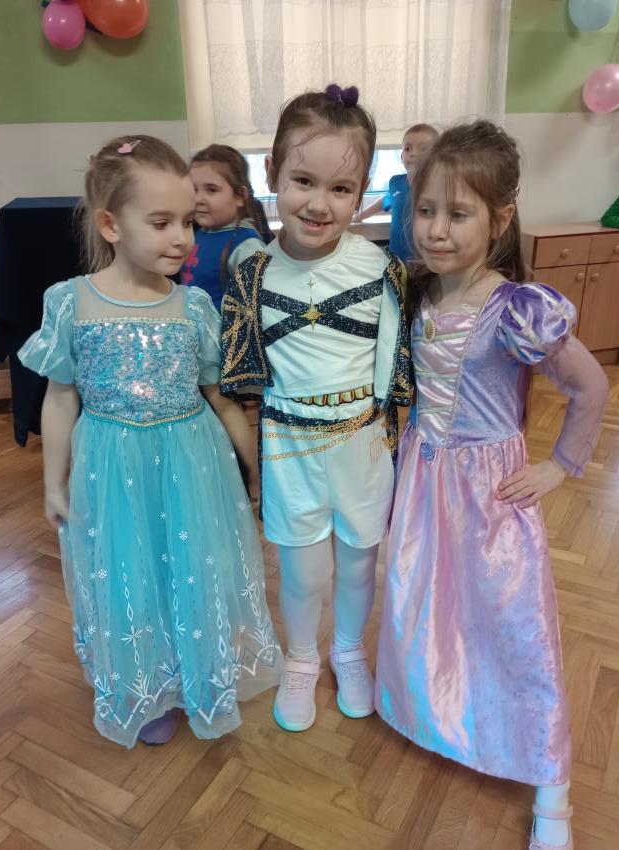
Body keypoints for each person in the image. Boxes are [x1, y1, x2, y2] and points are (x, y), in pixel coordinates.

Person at [375, 120, 608, 850]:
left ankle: (551, 783)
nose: (436, 229)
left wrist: (559, 466)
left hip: (489, 491)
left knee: (512, 622)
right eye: (425, 210)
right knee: (428, 598)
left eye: (458, 213)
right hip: (424, 479)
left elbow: (591, 388)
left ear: (500, 220)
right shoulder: (416, 291)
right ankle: (436, 713)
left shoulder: (517, 310)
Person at [18, 135, 281, 748]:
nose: (182, 238)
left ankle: (199, 676)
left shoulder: (194, 307)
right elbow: (59, 398)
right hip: (112, 467)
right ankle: (147, 684)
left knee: (192, 570)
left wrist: (255, 472)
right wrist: (53, 482)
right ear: (111, 225)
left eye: (188, 221)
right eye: (161, 223)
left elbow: (221, 398)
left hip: (191, 463)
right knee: (130, 576)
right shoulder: (71, 302)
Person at [220, 84, 412, 733]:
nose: (319, 203)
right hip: (290, 449)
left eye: (340, 188)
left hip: (363, 447)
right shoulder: (251, 276)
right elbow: (241, 379)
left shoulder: (381, 269)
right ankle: (302, 657)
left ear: (360, 194)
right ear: (271, 174)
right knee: (304, 573)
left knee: (359, 565)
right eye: (303, 181)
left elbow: (396, 368)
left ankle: (348, 650)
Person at [180, 144, 271, 311]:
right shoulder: (198, 233)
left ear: (240, 196)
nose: (198, 199)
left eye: (211, 190)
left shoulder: (246, 246)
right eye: (194, 189)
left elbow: (260, 307)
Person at [354, 123, 438, 262]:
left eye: (423, 149)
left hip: (425, 261)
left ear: (437, 156)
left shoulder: (439, 187)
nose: (414, 153)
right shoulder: (396, 182)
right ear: (401, 156)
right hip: (396, 259)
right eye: (408, 149)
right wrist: (359, 217)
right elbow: (385, 201)